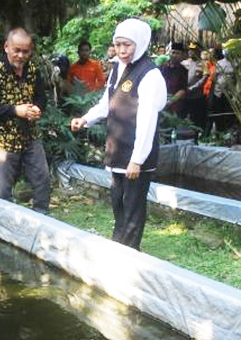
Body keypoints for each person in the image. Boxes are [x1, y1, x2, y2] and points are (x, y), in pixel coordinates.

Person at [70, 18, 167, 250]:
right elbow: (107, 103)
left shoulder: (149, 75)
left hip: (136, 154)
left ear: (141, 44)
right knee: (118, 201)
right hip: (117, 149)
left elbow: (147, 120)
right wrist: (85, 119)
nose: (122, 50)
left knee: (133, 205)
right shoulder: (117, 68)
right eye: (119, 44)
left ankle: (131, 251)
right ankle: (118, 246)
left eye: (128, 45)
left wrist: (138, 159)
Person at [0, 27, 51, 212]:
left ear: (31, 50)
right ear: (6, 47)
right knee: (4, 189)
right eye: (16, 50)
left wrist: (37, 108)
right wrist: (14, 110)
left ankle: (41, 219)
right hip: (3, 141)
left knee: (42, 179)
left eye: (25, 51)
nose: (20, 55)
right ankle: (8, 223)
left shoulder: (33, 69)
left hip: (30, 136)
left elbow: (41, 97)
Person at [181, 41, 207, 129]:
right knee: (182, 117)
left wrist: (193, 88)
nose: (191, 52)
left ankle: (196, 137)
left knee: (196, 119)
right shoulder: (184, 63)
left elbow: (204, 78)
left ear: (199, 51)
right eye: (190, 50)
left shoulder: (203, 64)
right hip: (183, 95)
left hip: (196, 96)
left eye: (193, 50)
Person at [160, 42, 187, 117]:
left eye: (178, 53)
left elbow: (183, 89)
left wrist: (170, 102)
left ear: (182, 55)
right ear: (169, 53)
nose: (175, 55)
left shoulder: (183, 70)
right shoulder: (161, 67)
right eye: (173, 52)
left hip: (174, 106)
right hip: (160, 102)